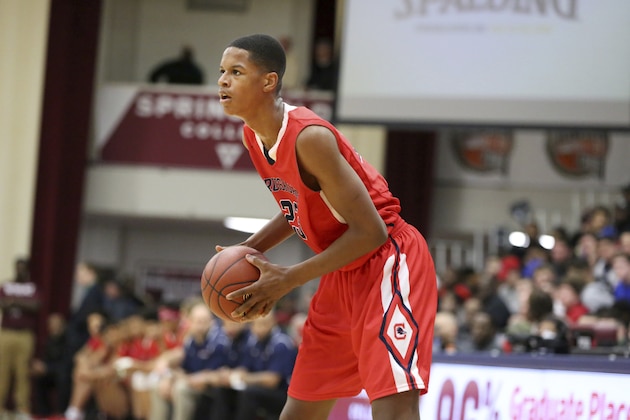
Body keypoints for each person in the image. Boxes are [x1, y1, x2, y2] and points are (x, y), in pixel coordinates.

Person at [216, 34, 438, 419]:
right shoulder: (253, 135)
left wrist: (288, 278)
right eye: (222, 72)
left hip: (387, 261)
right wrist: (249, 249)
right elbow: (298, 207)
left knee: (394, 409)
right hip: (342, 270)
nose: (223, 80)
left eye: (236, 72)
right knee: (300, 411)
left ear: (268, 82)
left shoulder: (309, 137)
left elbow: (372, 232)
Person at [0, 257, 41, 420]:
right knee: (2, 370)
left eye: (23, 268)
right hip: (6, 333)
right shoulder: (7, 285)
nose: (20, 271)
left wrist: (14, 302)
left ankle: (22, 409)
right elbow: (2, 303)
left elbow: (36, 306)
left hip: (25, 335)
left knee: (22, 372)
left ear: (28, 269)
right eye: (17, 267)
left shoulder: (32, 288)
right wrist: (23, 304)